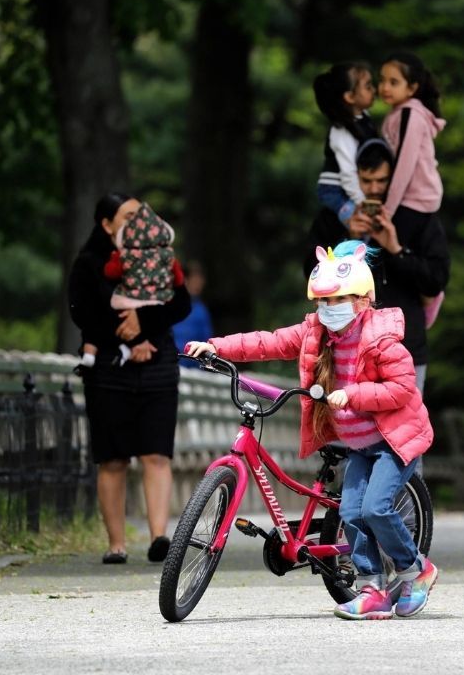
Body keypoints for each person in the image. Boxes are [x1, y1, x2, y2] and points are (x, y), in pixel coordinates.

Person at [183, 243, 438, 620]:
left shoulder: (383, 340)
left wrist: (352, 394)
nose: (329, 307)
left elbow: (401, 390)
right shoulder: (315, 332)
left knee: (376, 508)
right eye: (323, 301)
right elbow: (267, 342)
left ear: (363, 300)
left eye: (338, 299)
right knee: (351, 514)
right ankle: (372, 588)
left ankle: (416, 570)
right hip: (359, 447)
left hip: (393, 442)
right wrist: (215, 347)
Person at [68, 193, 191, 565]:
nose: (138, 221)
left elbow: (180, 303)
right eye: (127, 216)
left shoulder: (160, 255)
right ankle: (117, 543)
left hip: (157, 363)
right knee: (114, 457)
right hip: (108, 367)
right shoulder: (89, 264)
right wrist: (130, 336)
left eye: (141, 214)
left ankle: (158, 537)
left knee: (156, 453)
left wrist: (146, 329)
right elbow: (83, 312)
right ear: (107, 225)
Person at [305, 139, 450, 392]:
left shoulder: (417, 216)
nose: (374, 189)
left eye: (382, 181)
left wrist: (396, 250)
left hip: (405, 348)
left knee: (403, 429)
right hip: (345, 350)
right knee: (349, 428)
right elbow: (312, 274)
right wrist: (348, 240)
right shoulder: (333, 218)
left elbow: (436, 279)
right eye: (366, 180)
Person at [379, 52, 448, 329]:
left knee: (394, 261)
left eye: (393, 82)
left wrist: (387, 211)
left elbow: (404, 167)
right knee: (393, 260)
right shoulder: (401, 113)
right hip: (410, 200)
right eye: (382, 80)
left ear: (412, 87)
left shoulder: (410, 114)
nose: (385, 87)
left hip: (413, 201)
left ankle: (430, 297)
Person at [83, 201, 181, 367]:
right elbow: (177, 279)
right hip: (156, 299)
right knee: (158, 321)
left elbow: (110, 272)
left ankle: (93, 351)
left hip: (128, 298)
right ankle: (145, 347)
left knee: (110, 308)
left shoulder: (126, 254)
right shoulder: (167, 255)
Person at [313, 62, 379, 224]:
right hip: (335, 190)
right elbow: (348, 173)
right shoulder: (342, 131)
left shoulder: (364, 118)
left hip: (351, 187)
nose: (375, 90)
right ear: (349, 97)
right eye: (368, 86)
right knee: (361, 223)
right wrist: (362, 203)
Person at [172, 260, 214, 369]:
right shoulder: (171, 305)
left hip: (193, 372)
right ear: (185, 280)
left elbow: (207, 341)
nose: (198, 285)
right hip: (171, 365)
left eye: (200, 281)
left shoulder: (202, 311)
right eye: (195, 280)